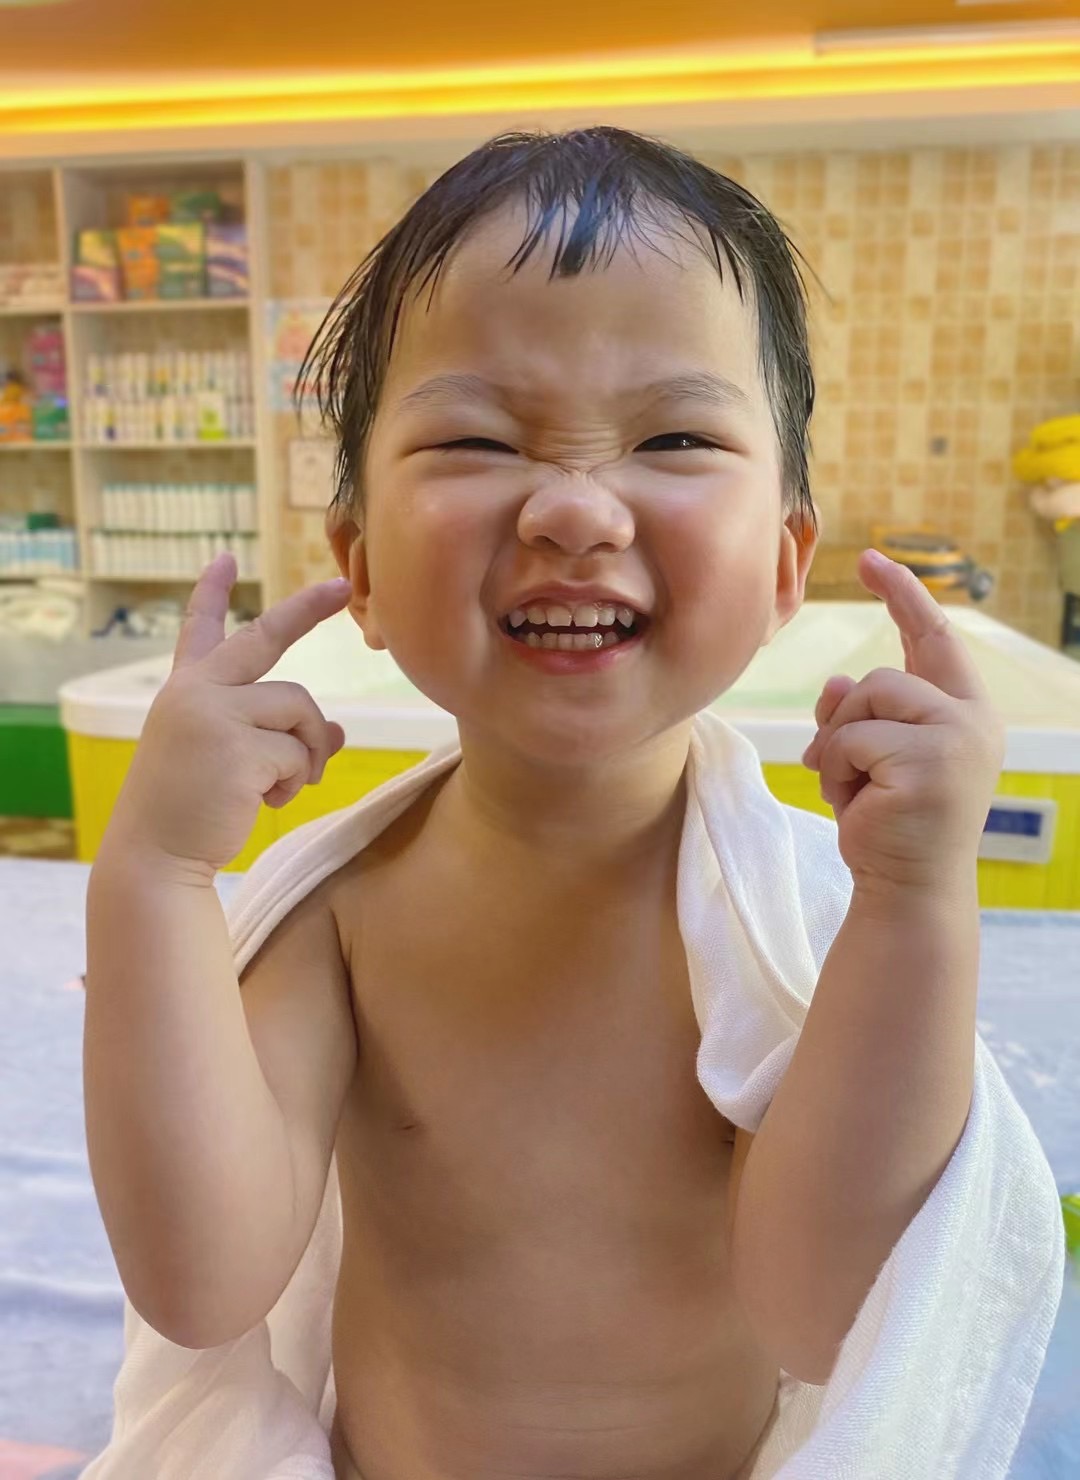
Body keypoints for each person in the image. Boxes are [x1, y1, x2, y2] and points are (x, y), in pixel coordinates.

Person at [83, 128, 1011, 1480]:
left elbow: (835, 1324)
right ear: (361, 571)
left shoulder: (805, 930)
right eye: (476, 438)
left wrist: (918, 905)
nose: (576, 513)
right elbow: (200, 1279)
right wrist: (155, 877)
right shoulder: (345, 920)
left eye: (674, 437)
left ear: (784, 566)